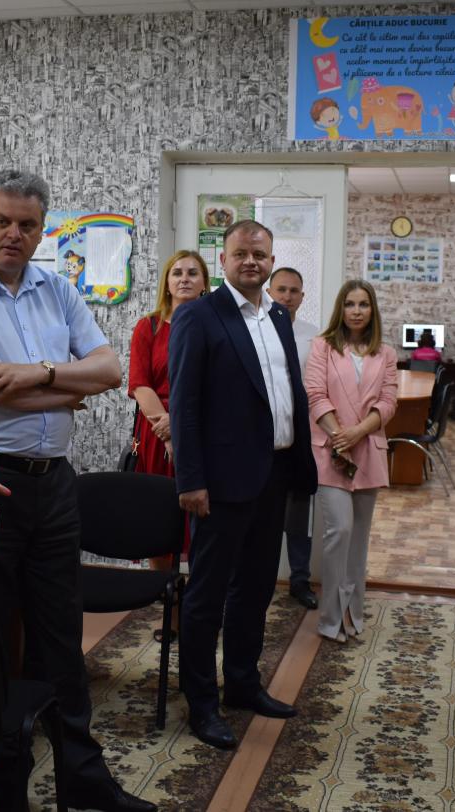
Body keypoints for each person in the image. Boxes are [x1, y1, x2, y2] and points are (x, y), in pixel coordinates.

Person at [0, 169, 153, 812]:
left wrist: (37, 375)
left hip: (55, 485)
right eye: (2, 221)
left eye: (27, 225)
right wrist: (68, 389)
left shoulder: (58, 289)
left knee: (61, 635)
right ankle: (3, 785)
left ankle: (83, 775)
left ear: (41, 230)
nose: (14, 234)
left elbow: (109, 370)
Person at [169, 219, 317, 750]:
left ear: (271, 260)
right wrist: (191, 480)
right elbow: (184, 404)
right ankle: (202, 704)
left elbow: (288, 392)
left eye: (260, 254)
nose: (251, 261)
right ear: (224, 259)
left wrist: (300, 464)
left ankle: (242, 684)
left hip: (273, 475)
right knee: (207, 597)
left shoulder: (278, 315)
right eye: (241, 254)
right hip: (219, 483)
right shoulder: (198, 316)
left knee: (255, 590)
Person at [304, 280, 398, 642]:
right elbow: (315, 394)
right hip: (330, 450)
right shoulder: (322, 347)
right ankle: (331, 618)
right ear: (340, 309)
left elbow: (388, 402)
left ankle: (352, 613)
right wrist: (339, 435)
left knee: (358, 539)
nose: (356, 311)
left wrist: (357, 432)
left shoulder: (385, 353)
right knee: (339, 531)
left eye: (363, 304)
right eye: (350, 304)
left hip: (368, 450)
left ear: (373, 310)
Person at [128, 249, 208, 610]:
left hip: (200, 430)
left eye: (193, 272)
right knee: (158, 520)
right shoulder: (149, 326)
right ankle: (169, 605)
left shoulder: (215, 326)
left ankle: (200, 603)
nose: (184, 279)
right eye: (177, 273)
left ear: (205, 283)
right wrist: (169, 431)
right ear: (167, 283)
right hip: (155, 434)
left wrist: (180, 427)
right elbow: (140, 384)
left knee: (202, 521)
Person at [267, 266, 319, 610]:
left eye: (294, 291)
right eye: (281, 289)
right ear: (269, 292)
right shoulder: (255, 330)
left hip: (301, 436)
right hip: (263, 435)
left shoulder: (314, 337)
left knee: (299, 513)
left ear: (302, 296)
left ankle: (299, 578)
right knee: (262, 513)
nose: (287, 296)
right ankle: (260, 577)